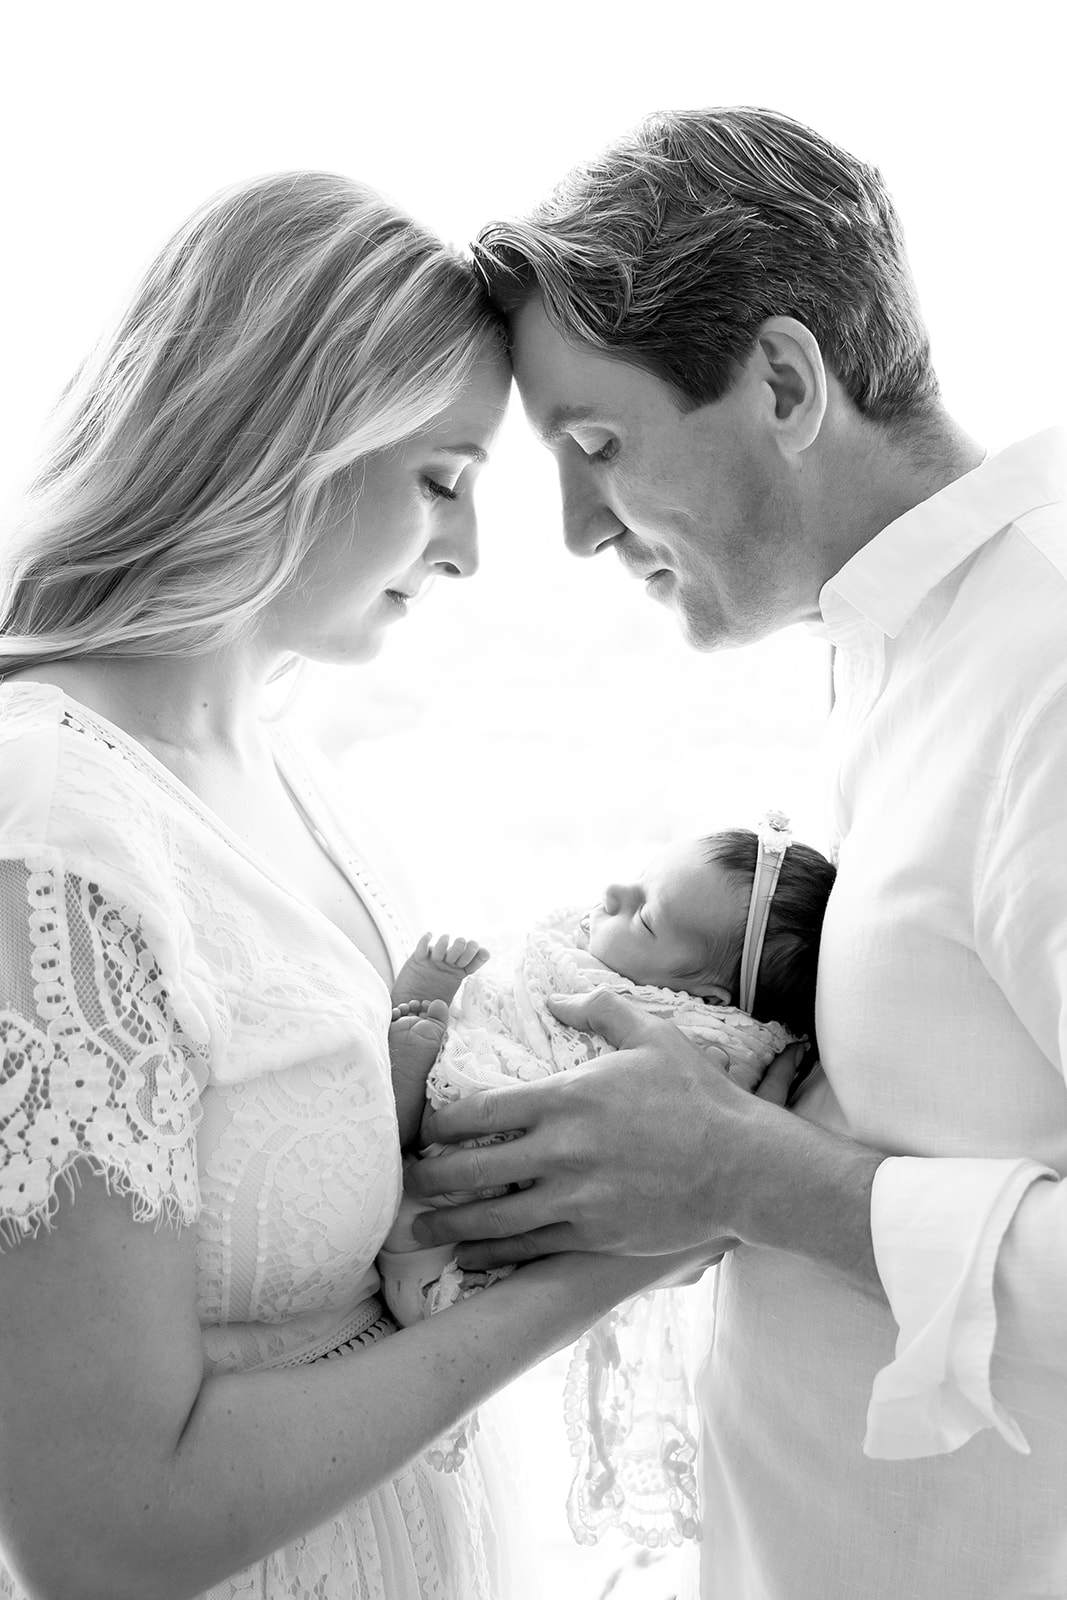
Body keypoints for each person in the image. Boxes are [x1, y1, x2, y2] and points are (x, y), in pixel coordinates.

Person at [0, 172, 709, 1600]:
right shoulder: (51, 828)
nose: (464, 551)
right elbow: (102, 1535)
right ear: (287, 439)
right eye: (442, 480)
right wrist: (620, 1259)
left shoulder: (296, 776)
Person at [406, 107, 1067, 1598]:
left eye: (594, 445)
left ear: (779, 380)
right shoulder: (891, 654)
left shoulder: (1048, 667)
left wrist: (745, 1178)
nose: (573, 529)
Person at [380, 816, 833, 1325]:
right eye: (638, 878)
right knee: (467, 1052)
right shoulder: (592, 953)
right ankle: (418, 1061)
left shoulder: (702, 1048)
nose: (615, 892)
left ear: (708, 1001)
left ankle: (410, 1079)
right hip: (446, 1238)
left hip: (453, 1244)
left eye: (645, 919)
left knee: (471, 1109)